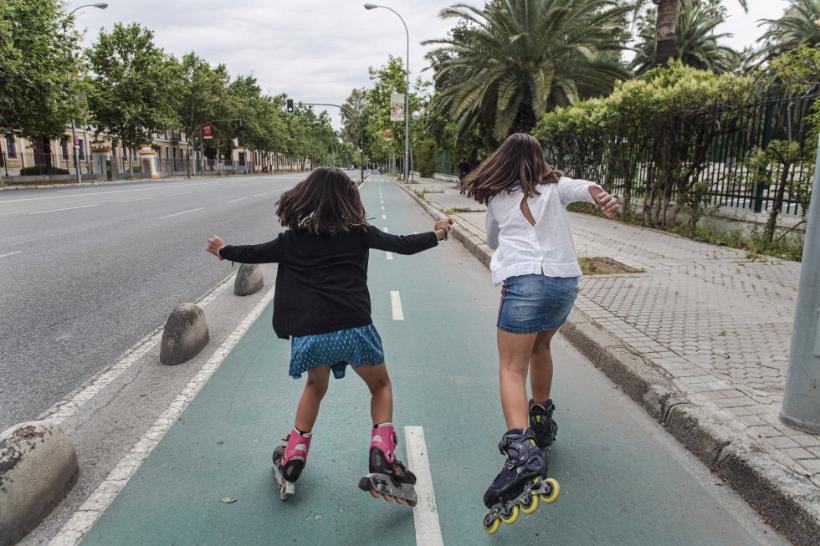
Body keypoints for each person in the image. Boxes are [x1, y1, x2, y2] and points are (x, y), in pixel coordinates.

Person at [206, 167, 452, 503]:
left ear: (306, 197)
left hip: (311, 336)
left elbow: (253, 253)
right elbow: (403, 245)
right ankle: (382, 455)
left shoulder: (291, 240)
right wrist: (438, 233)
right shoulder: (360, 233)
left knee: (315, 387)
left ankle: (293, 458)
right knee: (380, 385)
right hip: (355, 330)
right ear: (349, 200)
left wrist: (223, 249)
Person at [461, 133, 618, 529]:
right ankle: (541, 421)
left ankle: (521, 450)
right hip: (564, 284)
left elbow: (494, 241)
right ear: (538, 159)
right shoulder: (554, 186)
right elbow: (584, 187)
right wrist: (601, 195)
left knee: (511, 368)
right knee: (541, 348)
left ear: (501, 160)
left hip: (525, 282)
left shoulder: (496, 197)